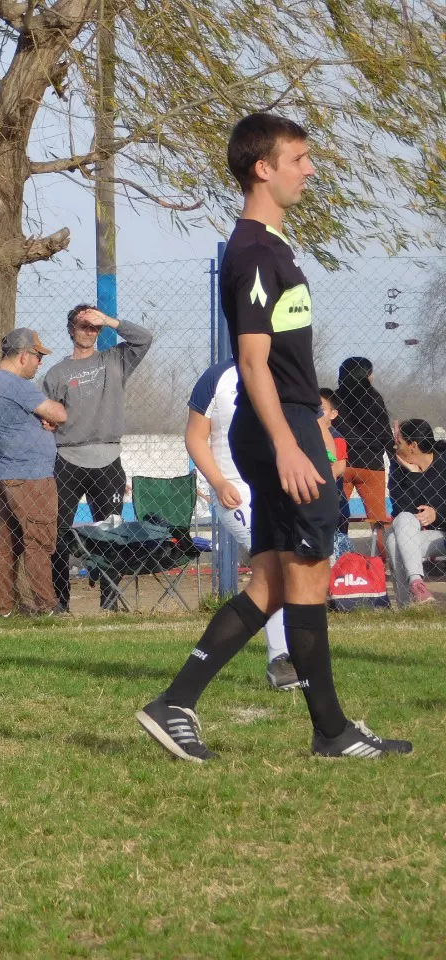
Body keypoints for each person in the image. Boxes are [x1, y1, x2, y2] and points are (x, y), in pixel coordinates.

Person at [136, 112, 410, 762]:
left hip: (283, 428)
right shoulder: (256, 253)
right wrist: (290, 442)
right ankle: (330, 732)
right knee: (308, 574)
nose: (309, 169)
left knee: (275, 583)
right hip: (282, 433)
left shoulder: (268, 247)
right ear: (264, 167)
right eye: (299, 158)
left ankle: (179, 703)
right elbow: (253, 359)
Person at [185, 360, 294, 689]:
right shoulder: (217, 378)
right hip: (236, 492)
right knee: (275, 565)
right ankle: (281, 659)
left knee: (294, 568)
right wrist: (218, 483)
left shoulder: (288, 371)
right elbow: (194, 436)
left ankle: (298, 655)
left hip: (280, 489)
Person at [43, 305, 153, 611]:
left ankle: (109, 604)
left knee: (111, 534)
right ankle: (60, 604)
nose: (89, 331)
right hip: (67, 460)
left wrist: (107, 319)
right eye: (83, 326)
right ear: (71, 329)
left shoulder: (115, 360)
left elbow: (144, 338)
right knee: (60, 533)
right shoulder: (56, 374)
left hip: (108, 459)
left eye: (94, 327)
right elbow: (48, 418)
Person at [0, 329, 67, 616]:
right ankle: (47, 605)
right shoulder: (13, 383)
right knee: (40, 540)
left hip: (9, 472)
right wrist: (50, 414)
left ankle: (3, 606)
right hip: (30, 475)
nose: (39, 362)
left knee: (8, 541)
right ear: (23, 355)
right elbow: (58, 413)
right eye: (38, 356)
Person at [385, 418, 446, 606]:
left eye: (399, 443)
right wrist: (413, 474)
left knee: (395, 540)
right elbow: (402, 509)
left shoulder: (443, 463)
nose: (396, 448)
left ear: (413, 446)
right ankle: (416, 585)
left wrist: (438, 514)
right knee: (397, 533)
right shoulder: (399, 469)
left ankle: (407, 605)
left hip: (442, 534)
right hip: (413, 534)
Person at [335, 357, 394, 542]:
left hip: (341, 463)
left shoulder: (335, 398)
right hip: (371, 463)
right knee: (379, 519)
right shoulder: (373, 397)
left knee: (336, 514)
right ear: (366, 375)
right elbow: (385, 431)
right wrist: (394, 459)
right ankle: (385, 561)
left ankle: (336, 556)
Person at [319, 388, 351, 537]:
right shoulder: (309, 435)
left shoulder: (335, 438)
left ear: (333, 414)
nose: (316, 412)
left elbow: (339, 467)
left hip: (335, 503)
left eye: (322, 408)